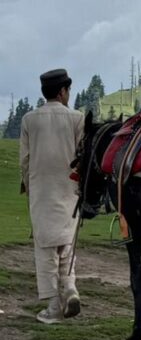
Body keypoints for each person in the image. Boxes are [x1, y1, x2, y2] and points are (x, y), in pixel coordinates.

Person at [19, 69, 85, 324]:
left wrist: (29, 187)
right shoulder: (77, 118)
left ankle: (54, 306)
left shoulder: (29, 120)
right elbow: (82, 157)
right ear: (62, 91)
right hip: (70, 191)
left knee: (45, 248)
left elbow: (25, 161)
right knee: (67, 245)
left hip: (41, 192)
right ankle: (70, 289)